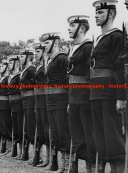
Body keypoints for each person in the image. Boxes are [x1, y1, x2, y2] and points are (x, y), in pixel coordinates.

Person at [90, 1, 126, 172]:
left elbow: (120, 68)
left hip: (110, 94)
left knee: (113, 138)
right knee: (102, 138)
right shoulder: (98, 39)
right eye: (96, 12)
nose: (96, 15)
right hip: (96, 94)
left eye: (100, 12)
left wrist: (121, 97)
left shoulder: (117, 36)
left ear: (111, 14)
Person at [67, 15, 96, 173]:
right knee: (76, 135)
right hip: (73, 97)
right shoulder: (72, 48)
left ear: (82, 28)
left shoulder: (88, 46)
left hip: (85, 97)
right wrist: (68, 102)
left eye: (73, 26)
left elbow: (91, 74)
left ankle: (91, 167)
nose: (69, 29)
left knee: (88, 135)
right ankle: (78, 164)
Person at [42, 32, 70, 172]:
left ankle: (68, 165)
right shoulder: (49, 60)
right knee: (55, 134)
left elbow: (68, 81)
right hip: (50, 101)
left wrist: (69, 101)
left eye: (47, 43)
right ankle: (61, 164)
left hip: (61, 100)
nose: (44, 45)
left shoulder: (62, 58)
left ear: (56, 43)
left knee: (63, 132)